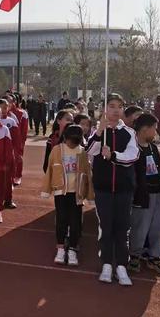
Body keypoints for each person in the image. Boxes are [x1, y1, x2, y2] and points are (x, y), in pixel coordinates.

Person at [87, 93, 139, 286]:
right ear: (105, 109)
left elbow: (132, 156)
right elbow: (89, 151)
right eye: (111, 106)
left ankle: (122, 266)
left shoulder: (129, 133)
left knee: (123, 228)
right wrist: (99, 132)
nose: (115, 110)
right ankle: (107, 264)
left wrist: (114, 156)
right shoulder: (98, 131)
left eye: (119, 106)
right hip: (104, 189)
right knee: (106, 227)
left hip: (124, 189)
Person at [42, 125, 93, 266]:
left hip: (76, 194)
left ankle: (72, 249)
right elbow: (50, 170)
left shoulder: (82, 152)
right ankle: (60, 248)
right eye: (72, 140)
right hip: (61, 193)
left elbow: (88, 174)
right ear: (65, 137)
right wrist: (46, 190)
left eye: (77, 141)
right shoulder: (57, 151)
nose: (73, 144)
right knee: (61, 220)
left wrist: (90, 195)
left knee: (76, 222)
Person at [128, 114, 160, 275]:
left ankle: (154, 256)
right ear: (144, 130)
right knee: (140, 226)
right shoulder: (133, 148)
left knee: (157, 226)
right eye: (154, 129)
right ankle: (135, 255)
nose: (156, 132)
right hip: (142, 195)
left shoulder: (153, 147)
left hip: (157, 193)